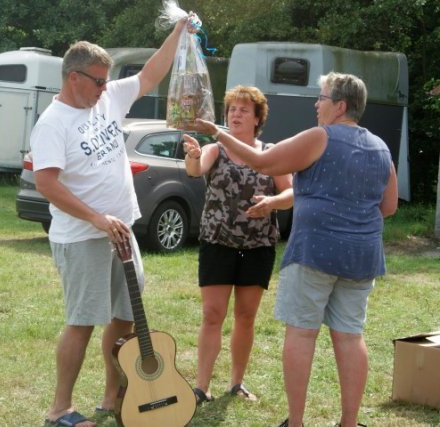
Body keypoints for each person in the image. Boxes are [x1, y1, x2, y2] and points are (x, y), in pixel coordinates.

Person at [181, 72, 398, 427]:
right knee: (350, 337)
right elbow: (388, 207)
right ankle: (349, 422)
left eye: (322, 98)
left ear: (340, 105)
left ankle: (295, 422)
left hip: (315, 253)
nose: (316, 103)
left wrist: (218, 132)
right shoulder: (380, 146)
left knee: (301, 333)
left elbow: (264, 163)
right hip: (362, 257)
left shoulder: (320, 137)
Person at [32, 16, 197, 427]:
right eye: (97, 81)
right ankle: (60, 410)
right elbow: (46, 184)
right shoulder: (52, 124)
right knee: (83, 321)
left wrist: (177, 34)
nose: (105, 88)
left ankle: (113, 395)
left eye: (107, 81)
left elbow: (150, 74)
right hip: (82, 237)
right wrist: (96, 218)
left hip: (121, 231)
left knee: (125, 317)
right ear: (74, 78)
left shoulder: (105, 100)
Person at [183, 85, 293, 404]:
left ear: (258, 118)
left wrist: (272, 202)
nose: (236, 114)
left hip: (257, 246)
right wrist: (192, 156)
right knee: (212, 314)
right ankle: (201, 386)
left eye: (244, 110)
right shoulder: (216, 148)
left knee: (246, 317)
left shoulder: (269, 154)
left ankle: (236, 382)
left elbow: (290, 194)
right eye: (232, 109)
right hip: (218, 242)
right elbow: (196, 169)